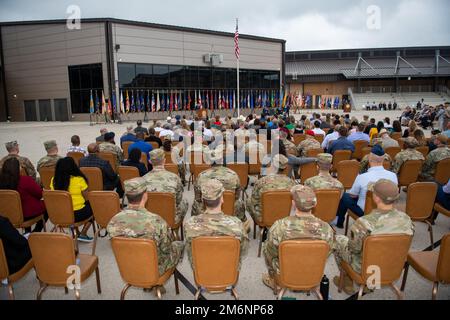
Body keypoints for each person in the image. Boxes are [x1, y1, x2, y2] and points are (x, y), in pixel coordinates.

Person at [333, 179, 414, 294]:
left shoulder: (364, 223)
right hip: (393, 266)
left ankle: (347, 281)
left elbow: (354, 248)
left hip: (365, 268)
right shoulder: (407, 220)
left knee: (339, 240)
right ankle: (371, 283)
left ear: (376, 198)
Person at [107, 177, 183, 293]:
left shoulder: (112, 222)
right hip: (155, 269)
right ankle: (156, 283)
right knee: (178, 245)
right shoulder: (157, 222)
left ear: (127, 196)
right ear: (145, 196)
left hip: (128, 269)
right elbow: (166, 249)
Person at [262, 184, 334, 290]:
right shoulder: (327, 229)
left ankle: (275, 280)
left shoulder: (279, 226)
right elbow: (327, 253)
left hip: (285, 273)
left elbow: (270, 252)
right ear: (315, 203)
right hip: (313, 273)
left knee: (266, 247)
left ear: (293, 203)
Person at [184, 179, 248, 270]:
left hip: (201, 269)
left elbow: (190, 252)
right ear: (222, 199)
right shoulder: (237, 224)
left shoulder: (189, 224)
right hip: (229, 269)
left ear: (202, 200)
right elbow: (243, 251)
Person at [334, 145, 398, 228]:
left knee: (345, 196)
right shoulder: (393, 176)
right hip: (386, 210)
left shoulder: (362, 177)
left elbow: (353, 195)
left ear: (369, 159)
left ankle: (339, 222)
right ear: (383, 159)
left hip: (366, 212)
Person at [191, 149, 246, 224]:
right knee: (239, 202)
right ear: (222, 160)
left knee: (195, 203)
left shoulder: (201, 176)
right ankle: (240, 224)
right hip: (230, 208)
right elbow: (236, 196)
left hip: (207, 208)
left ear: (209, 161)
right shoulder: (233, 175)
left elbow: (198, 198)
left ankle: (195, 224)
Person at [50, 157, 93, 242]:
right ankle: (83, 233)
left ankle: (77, 232)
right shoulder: (79, 179)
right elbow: (87, 197)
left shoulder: (54, 180)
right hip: (77, 214)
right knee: (94, 207)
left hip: (60, 213)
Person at [0, 158, 47, 233]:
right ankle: (35, 232)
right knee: (47, 206)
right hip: (27, 214)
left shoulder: (1, 183)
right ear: (17, 169)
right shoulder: (25, 180)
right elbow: (39, 194)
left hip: (7, 214)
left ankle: (27, 233)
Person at [142, 149, 188, 226]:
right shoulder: (174, 177)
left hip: (149, 218)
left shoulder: (142, 179)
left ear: (150, 162)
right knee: (185, 202)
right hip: (172, 217)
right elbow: (178, 199)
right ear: (164, 160)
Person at [247, 155, 295, 225]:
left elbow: (254, 200)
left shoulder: (261, 181)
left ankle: (261, 227)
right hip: (287, 216)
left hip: (265, 217)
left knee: (248, 201)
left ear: (272, 166)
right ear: (286, 167)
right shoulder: (292, 183)